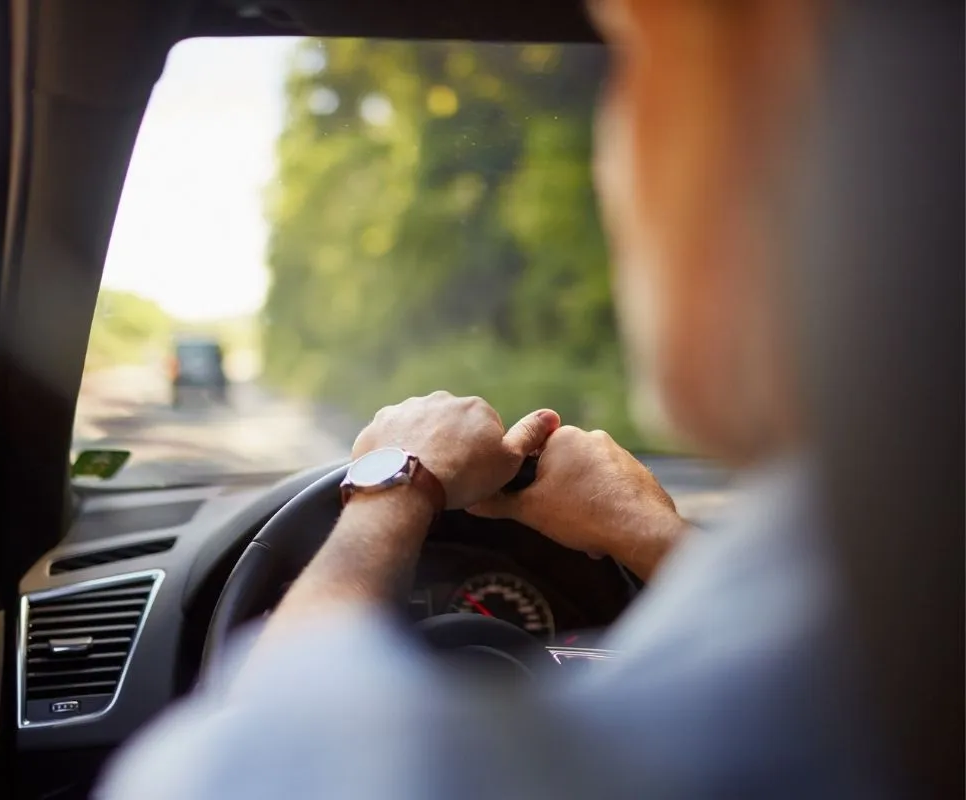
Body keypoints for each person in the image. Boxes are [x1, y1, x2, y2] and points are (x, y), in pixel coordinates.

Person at [97, 0, 895, 797]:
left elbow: (254, 749)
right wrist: (651, 533)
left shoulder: (343, 768)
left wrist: (393, 484)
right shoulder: (900, 671)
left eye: (627, 76)